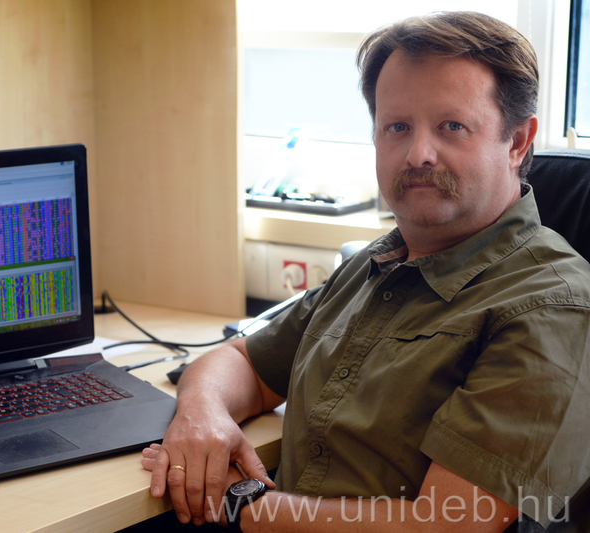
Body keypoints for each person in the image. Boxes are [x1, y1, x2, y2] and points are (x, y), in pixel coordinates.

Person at [140, 10, 590, 532]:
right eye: (397, 127)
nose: (418, 154)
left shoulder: (552, 307)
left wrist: (239, 504)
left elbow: (447, 525)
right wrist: (201, 413)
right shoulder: (377, 263)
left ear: (517, 142)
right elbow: (246, 362)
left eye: (452, 126)